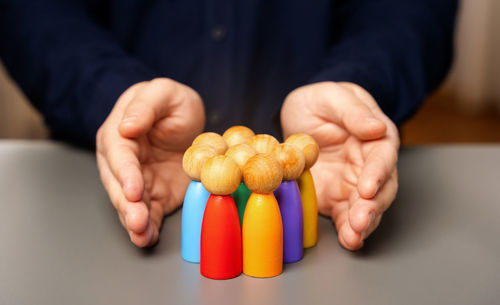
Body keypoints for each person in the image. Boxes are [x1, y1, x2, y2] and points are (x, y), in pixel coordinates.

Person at [0, 1, 457, 250]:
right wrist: (113, 95)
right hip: (112, 172)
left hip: (338, 171)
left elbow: (412, 10)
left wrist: (358, 83)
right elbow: (32, 11)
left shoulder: (285, 180)